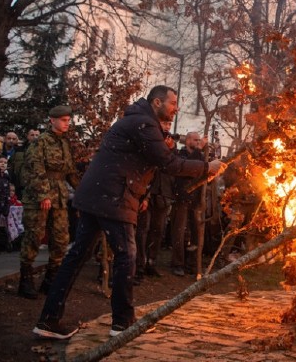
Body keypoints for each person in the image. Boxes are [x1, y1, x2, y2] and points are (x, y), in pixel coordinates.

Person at [33, 86, 226, 340]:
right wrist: (206, 167)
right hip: (113, 197)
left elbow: (146, 159)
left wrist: (163, 149)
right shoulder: (144, 124)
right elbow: (168, 164)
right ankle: (123, 323)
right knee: (127, 256)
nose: (176, 107)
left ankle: (48, 321)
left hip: (98, 195)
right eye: (173, 102)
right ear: (157, 102)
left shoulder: (139, 122)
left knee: (77, 256)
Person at [18, 106, 80, 299]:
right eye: (63, 120)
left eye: (68, 120)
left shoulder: (65, 143)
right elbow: (35, 169)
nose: (66, 123)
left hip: (60, 197)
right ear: (51, 120)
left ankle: (50, 280)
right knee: (34, 236)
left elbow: (70, 172)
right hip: (40, 197)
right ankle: (25, 281)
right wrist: (43, 194)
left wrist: (83, 190)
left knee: (61, 239)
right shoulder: (40, 142)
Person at [135, 120, 177, 280]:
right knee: (142, 231)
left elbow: (174, 165)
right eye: (164, 124)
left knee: (158, 231)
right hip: (147, 194)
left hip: (164, 194)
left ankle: (151, 263)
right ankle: (139, 265)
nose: (166, 127)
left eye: (168, 124)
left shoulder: (171, 147)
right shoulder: (150, 141)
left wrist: (171, 149)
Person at [170, 131, 206, 277]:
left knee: (195, 233)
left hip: (196, 200)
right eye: (195, 140)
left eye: (199, 140)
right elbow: (188, 167)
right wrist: (198, 151)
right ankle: (178, 263)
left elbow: (203, 170)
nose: (198, 142)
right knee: (179, 232)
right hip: (182, 197)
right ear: (188, 140)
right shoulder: (180, 155)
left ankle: (192, 263)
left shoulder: (200, 156)